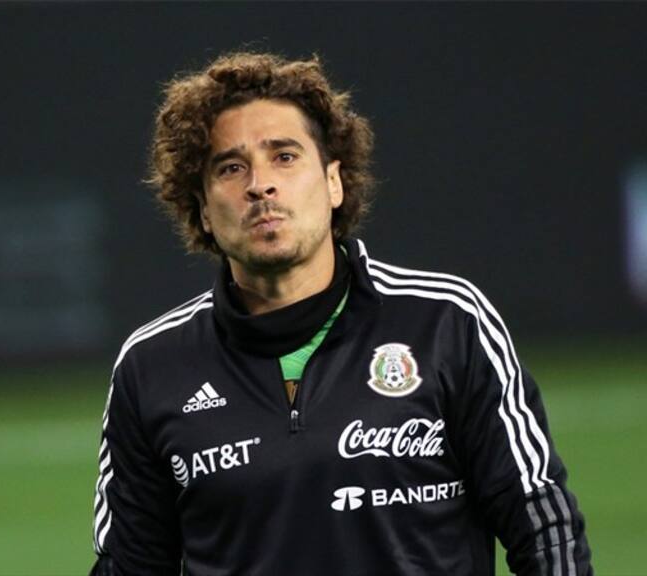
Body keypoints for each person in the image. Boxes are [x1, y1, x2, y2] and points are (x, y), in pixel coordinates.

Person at [91, 52, 592, 575]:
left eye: (284, 157)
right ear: (201, 211)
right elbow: (130, 566)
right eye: (231, 167)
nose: (259, 185)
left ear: (334, 183)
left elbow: (543, 526)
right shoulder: (151, 368)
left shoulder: (446, 323)